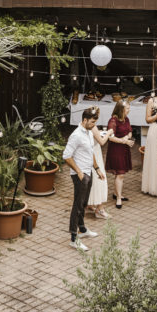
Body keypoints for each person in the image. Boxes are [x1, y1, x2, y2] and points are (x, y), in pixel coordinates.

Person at [62, 107, 104, 251]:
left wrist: (97, 169)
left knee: (84, 203)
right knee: (77, 205)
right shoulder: (76, 135)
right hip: (80, 175)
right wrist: (79, 172)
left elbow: (90, 151)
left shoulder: (89, 132)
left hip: (89, 172)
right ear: (84, 120)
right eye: (92, 122)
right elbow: (66, 156)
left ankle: (83, 229)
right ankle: (74, 238)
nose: (94, 125)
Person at [102, 100, 135, 209]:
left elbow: (130, 131)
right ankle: (119, 198)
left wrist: (127, 137)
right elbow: (110, 137)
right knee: (120, 174)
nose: (129, 110)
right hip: (116, 150)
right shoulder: (113, 121)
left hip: (124, 150)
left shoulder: (126, 119)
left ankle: (116, 194)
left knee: (120, 174)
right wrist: (123, 141)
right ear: (121, 109)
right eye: (127, 109)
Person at [85, 122, 111, 219]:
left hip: (88, 154)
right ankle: (100, 209)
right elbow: (102, 142)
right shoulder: (93, 126)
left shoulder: (84, 125)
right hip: (95, 153)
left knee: (91, 180)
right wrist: (108, 133)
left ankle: (90, 203)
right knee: (99, 180)